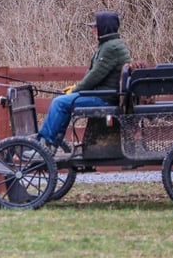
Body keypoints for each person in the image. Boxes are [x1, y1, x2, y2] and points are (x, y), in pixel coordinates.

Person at [30, 10, 131, 154]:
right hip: (102, 94)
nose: (92, 30)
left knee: (60, 103)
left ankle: (45, 145)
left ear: (104, 27)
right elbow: (94, 74)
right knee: (63, 102)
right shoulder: (109, 45)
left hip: (104, 98)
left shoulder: (111, 47)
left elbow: (95, 76)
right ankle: (51, 144)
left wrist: (76, 90)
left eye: (95, 27)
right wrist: (76, 87)